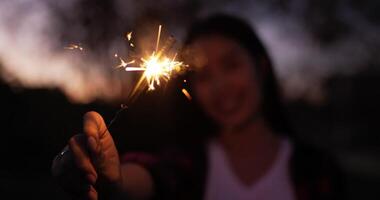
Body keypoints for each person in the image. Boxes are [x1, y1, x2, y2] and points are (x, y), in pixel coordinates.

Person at [52, 14, 344, 200]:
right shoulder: (189, 165)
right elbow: (149, 177)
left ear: (261, 66)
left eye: (231, 65)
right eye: (204, 75)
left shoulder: (317, 171)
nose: (219, 87)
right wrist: (114, 180)